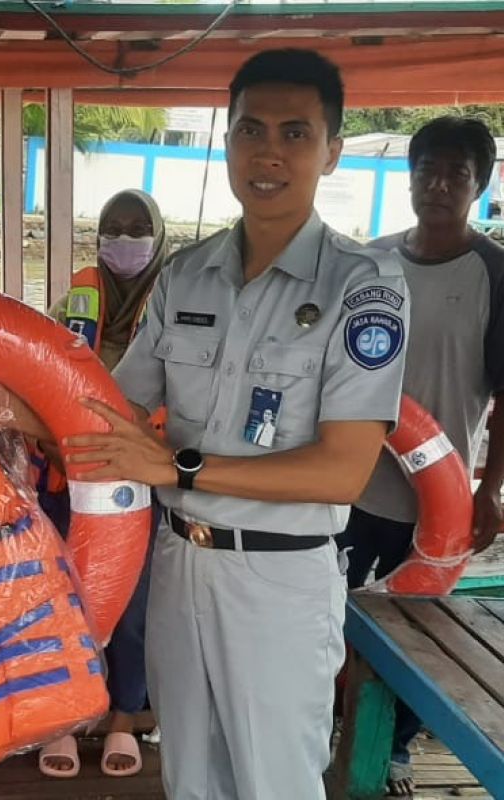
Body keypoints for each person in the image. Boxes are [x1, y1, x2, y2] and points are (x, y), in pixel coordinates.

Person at [62, 49, 410, 800]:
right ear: (227, 140)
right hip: (178, 564)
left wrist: (177, 468)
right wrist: (1, 396)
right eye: (251, 130)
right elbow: (112, 407)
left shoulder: (363, 287)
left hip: (279, 579)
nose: (269, 154)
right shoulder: (186, 275)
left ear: (332, 151)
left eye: (295, 134)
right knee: (189, 777)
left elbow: (342, 469)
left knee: (274, 783)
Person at [338, 116, 504, 797]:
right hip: (352, 484)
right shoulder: (369, 263)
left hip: (440, 503)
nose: (437, 186)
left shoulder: (495, 272)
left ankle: (398, 749)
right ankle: (332, 727)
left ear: (479, 185)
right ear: (409, 179)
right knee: (338, 617)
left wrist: (490, 491)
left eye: (456, 175)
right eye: (426, 171)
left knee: (419, 634)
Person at [38, 189, 169, 779]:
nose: (124, 239)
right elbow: (35, 372)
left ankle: (124, 716)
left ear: (159, 236)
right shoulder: (72, 304)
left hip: (145, 486)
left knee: (135, 607)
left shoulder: (177, 310)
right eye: (113, 229)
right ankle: (64, 718)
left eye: (138, 228)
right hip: (68, 483)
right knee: (63, 599)